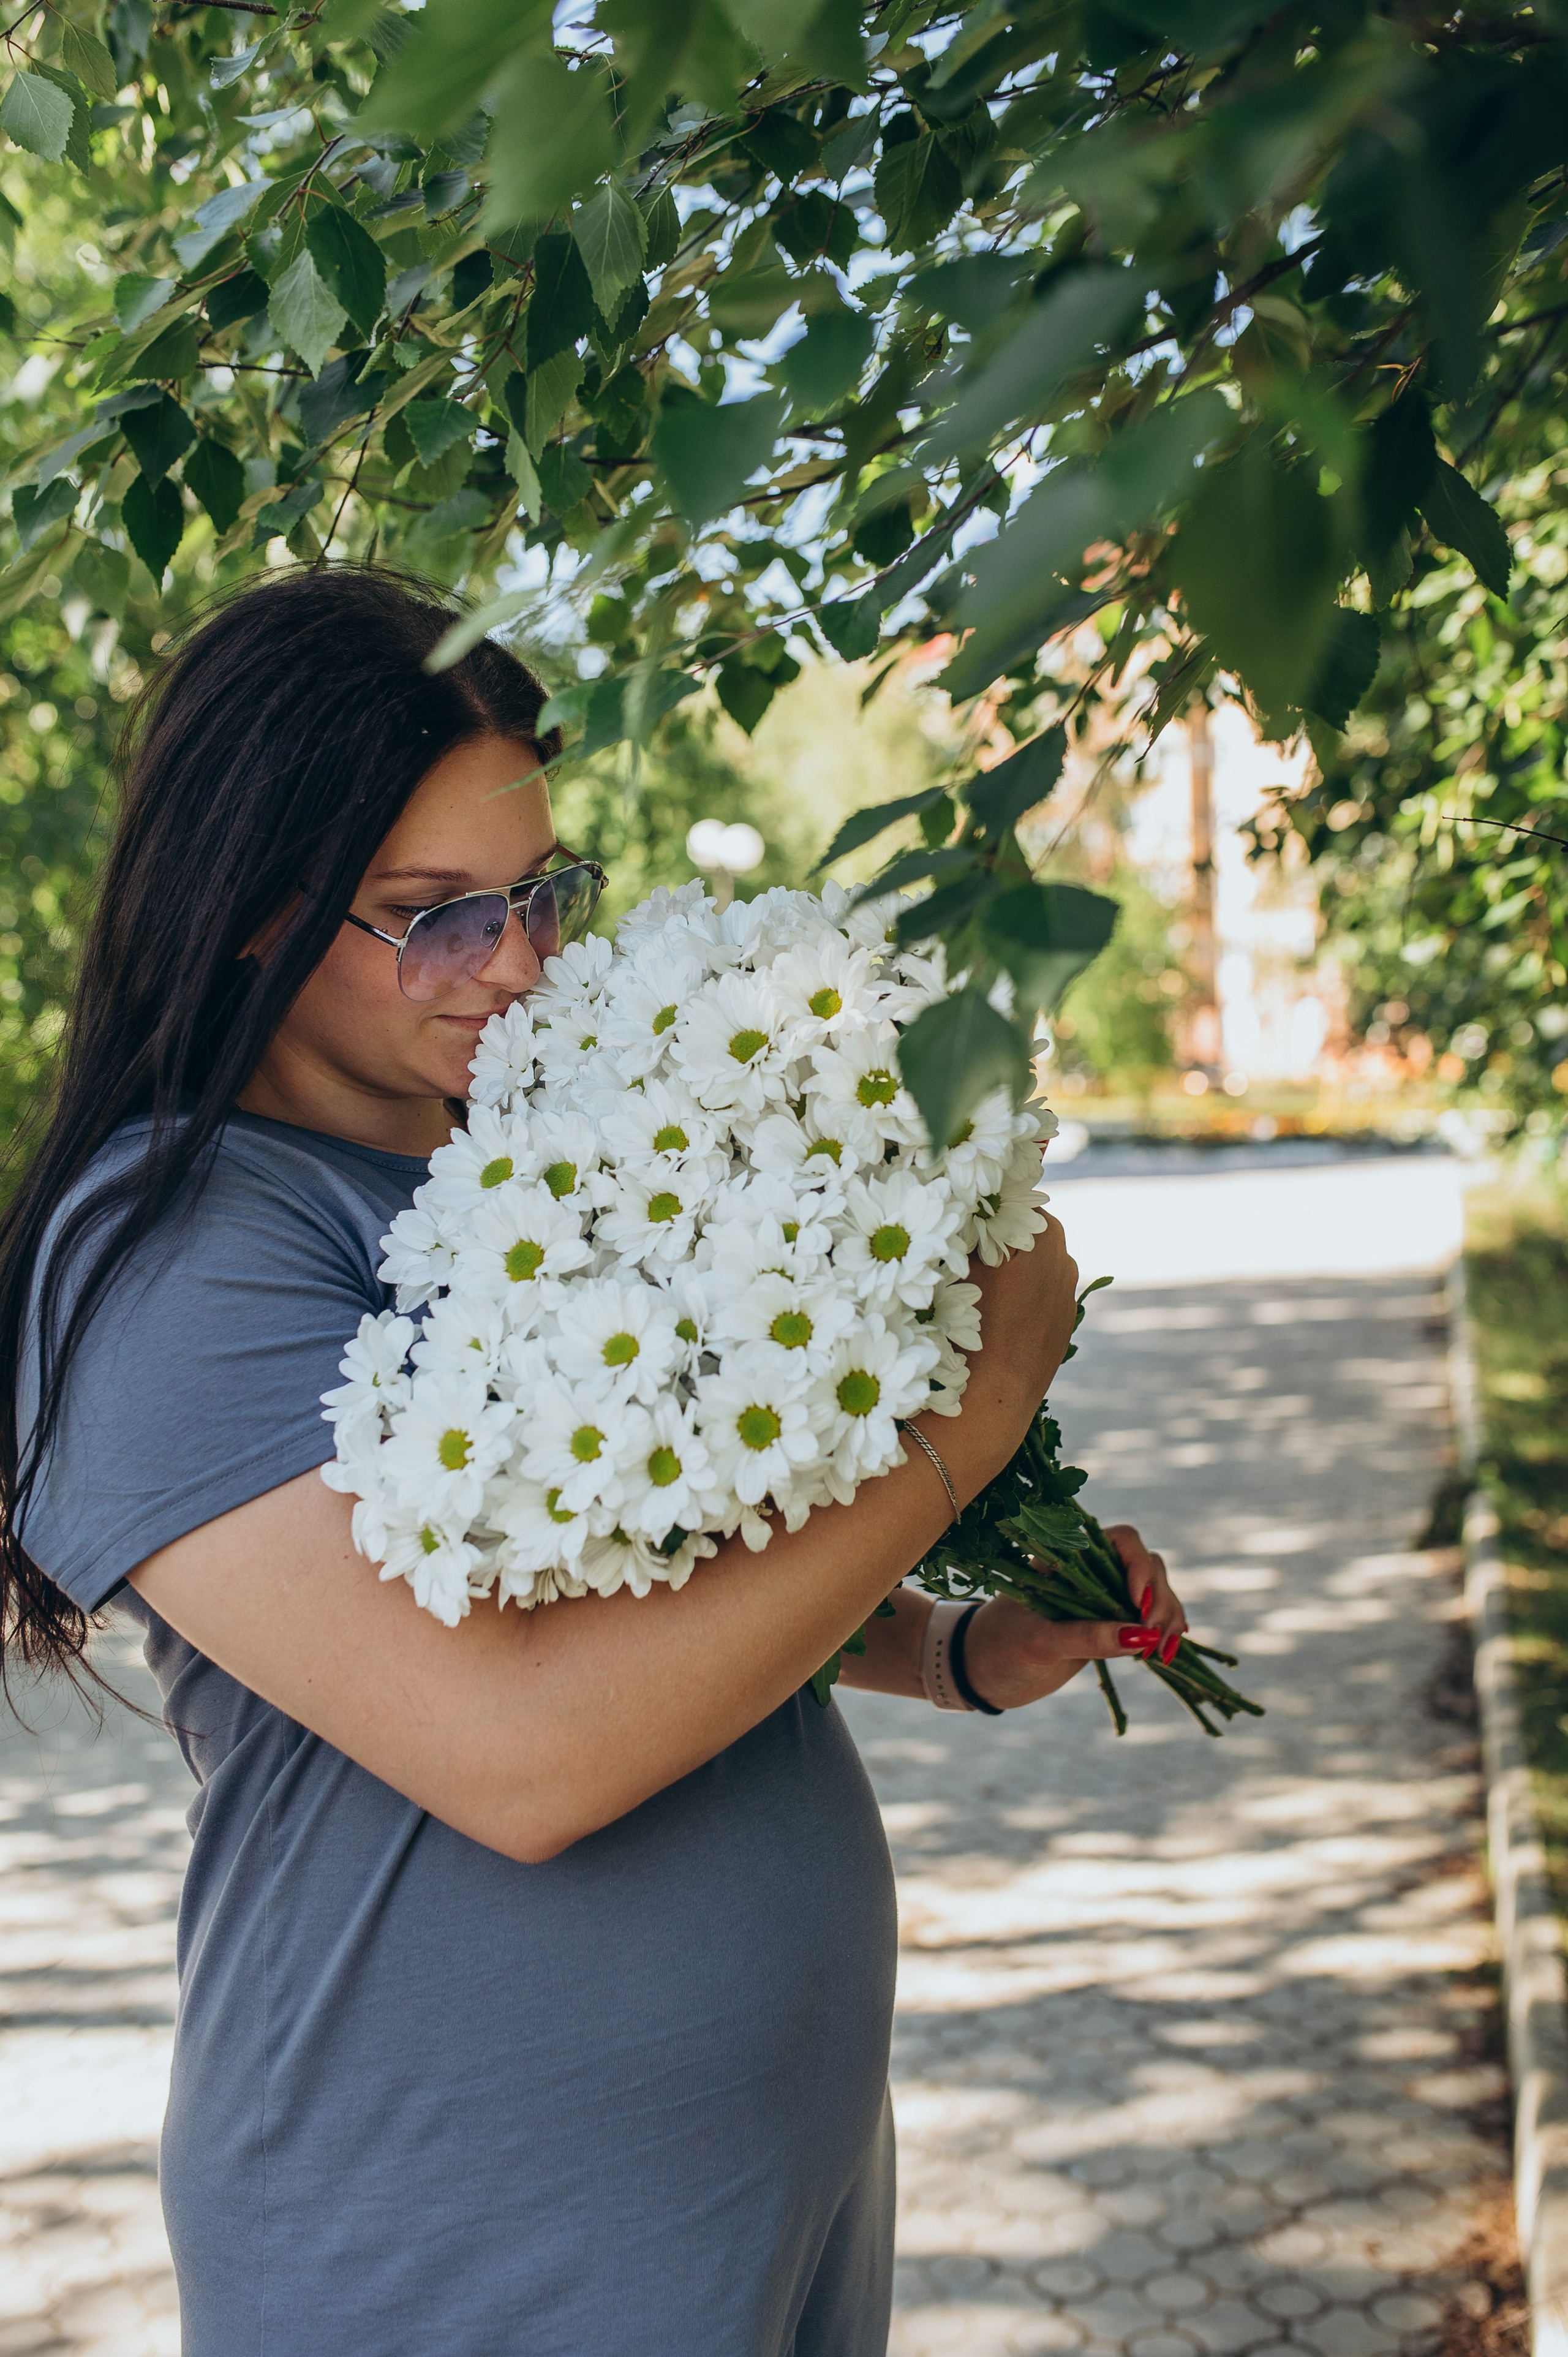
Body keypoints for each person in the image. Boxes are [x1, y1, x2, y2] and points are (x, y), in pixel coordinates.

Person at [0, 567, 1187, 2357]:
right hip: (448, 2225)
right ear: (252, 908)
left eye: (537, 894)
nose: (526, 965)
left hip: (739, 2197)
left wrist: (939, 1646)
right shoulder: (177, 1262)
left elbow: (617, 1559)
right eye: (434, 917)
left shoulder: (526, 1152)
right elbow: (522, 1751)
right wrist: (962, 1433)